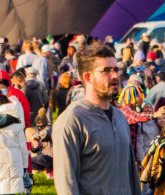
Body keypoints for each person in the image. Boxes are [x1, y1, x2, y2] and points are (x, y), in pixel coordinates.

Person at [52, 42, 140, 194]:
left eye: (115, 70)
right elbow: (66, 184)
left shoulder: (120, 117)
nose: (114, 76)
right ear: (88, 77)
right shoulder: (71, 120)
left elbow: (131, 174)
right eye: (106, 70)